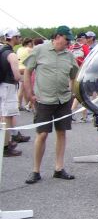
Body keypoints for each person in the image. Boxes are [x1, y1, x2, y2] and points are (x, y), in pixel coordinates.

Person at [23, 25, 79, 184]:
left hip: (63, 100)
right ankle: (35, 171)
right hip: (44, 100)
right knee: (42, 134)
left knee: (62, 132)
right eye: (67, 39)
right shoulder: (40, 50)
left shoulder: (69, 55)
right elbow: (27, 72)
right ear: (58, 36)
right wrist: (29, 95)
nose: (68, 43)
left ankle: (59, 168)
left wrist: (73, 91)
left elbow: (75, 75)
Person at [1, 28, 30, 156]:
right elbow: (17, 76)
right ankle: (6, 146)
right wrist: (26, 78)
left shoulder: (2, 51)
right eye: (18, 36)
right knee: (7, 116)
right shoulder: (11, 54)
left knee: (4, 115)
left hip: (2, 85)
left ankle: (8, 141)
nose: (20, 38)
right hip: (9, 86)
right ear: (13, 38)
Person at [16, 37, 34, 110]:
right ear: (28, 43)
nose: (32, 44)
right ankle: (22, 105)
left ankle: (23, 104)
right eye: (31, 43)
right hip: (25, 69)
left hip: (19, 68)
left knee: (22, 89)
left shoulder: (19, 49)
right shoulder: (29, 49)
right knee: (25, 88)